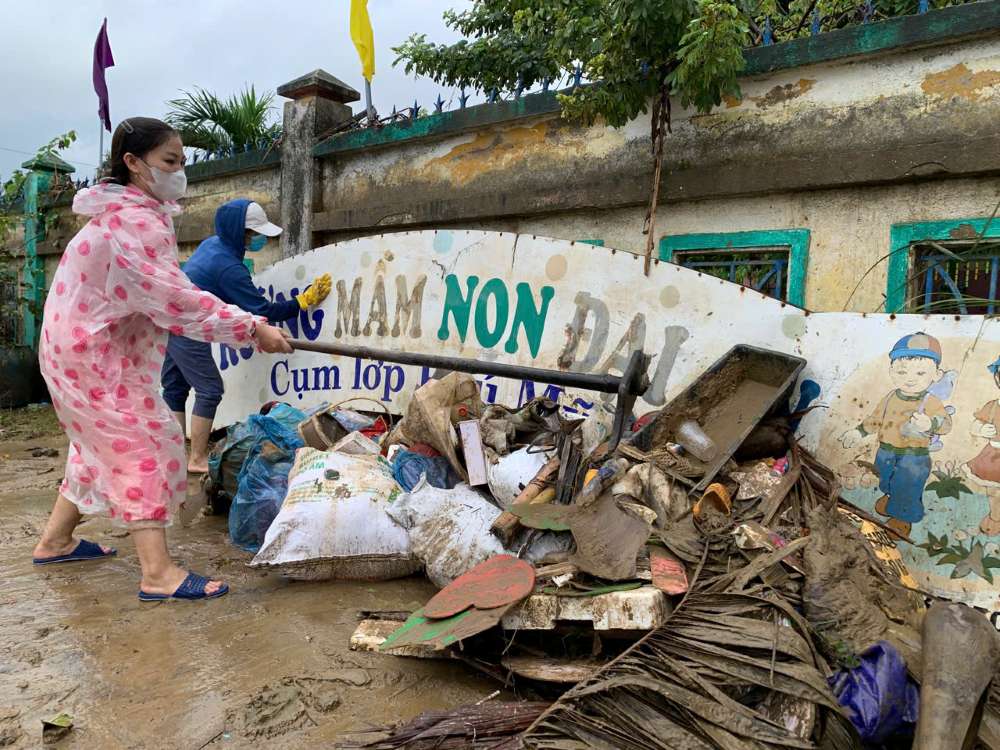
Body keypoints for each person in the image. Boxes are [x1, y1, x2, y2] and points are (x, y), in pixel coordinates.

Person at [31, 117, 292, 601]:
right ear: (132, 163)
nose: (179, 172)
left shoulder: (127, 213)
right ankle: (158, 574)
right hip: (91, 353)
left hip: (78, 348)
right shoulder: (132, 221)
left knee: (97, 444)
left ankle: (55, 540)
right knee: (145, 442)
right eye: (169, 161)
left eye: (182, 162)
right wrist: (251, 328)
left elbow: (164, 294)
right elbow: (174, 297)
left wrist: (250, 326)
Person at [161, 199, 331, 472]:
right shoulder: (229, 267)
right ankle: (197, 459)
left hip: (171, 319)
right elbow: (261, 310)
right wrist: (301, 302)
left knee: (175, 388)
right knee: (209, 389)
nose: (259, 240)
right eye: (254, 235)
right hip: (189, 327)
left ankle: (172, 459)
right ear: (239, 233)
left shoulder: (212, 244)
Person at [839, 332, 952, 538]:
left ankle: (903, 520)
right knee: (884, 479)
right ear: (891, 371)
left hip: (914, 457)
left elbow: (945, 424)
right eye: (902, 372)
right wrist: (859, 432)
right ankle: (891, 496)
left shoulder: (931, 401)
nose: (909, 378)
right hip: (886, 451)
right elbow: (876, 419)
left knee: (908, 487)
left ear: (936, 375)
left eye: (920, 373)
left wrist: (930, 423)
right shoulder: (890, 397)